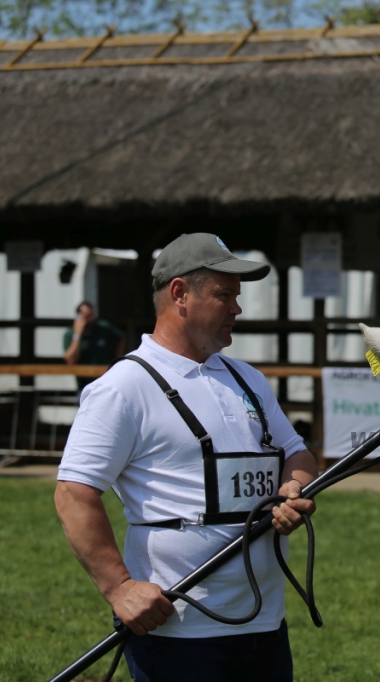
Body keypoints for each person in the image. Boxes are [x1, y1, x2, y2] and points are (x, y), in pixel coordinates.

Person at [55, 234, 318, 682]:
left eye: (237, 297)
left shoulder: (247, 378)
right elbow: (74, 493)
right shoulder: (124, 387)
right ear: (179, 294)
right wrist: (119, 588)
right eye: (224, 295)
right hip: (176, 632)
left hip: (265, 625)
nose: (237, 308)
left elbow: (296, 451)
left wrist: (294, 486)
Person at [63, 301, 126, 391]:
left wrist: (118, 359)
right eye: (87, 317)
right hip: (84, 385)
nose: (91, 319)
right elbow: (71, 360)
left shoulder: (102, 328)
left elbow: (121, 337)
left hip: (105, 381)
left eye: (91, 315)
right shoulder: (70, 334)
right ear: (78, 317)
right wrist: (77, 335)